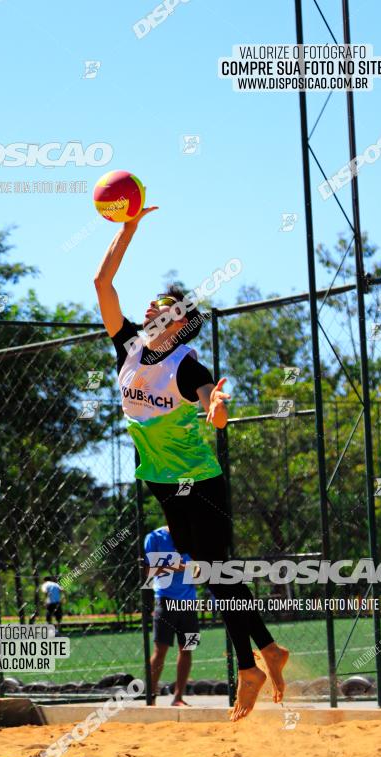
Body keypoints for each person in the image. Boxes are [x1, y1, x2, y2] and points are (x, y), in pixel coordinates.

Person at [94, 206, 289, 720]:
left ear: (180, 325)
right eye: (154, 307)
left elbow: (214, 411)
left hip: (199, 480)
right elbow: (101, 281)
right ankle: (264, 654)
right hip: (159, 479)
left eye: (169, 310)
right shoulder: (129, 346)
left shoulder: (187, 365)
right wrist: (128, 228)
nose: (157, 313)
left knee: (216, 571)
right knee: (213, 572)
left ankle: (254, 663)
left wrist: (218, 407)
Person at [144, 524, 199, 706]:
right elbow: (150, 570)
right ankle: (150, 698)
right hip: (165, 602)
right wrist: (181, 567)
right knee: (160, 652)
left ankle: (178, 697)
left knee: (187, 649)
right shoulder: (154, 537)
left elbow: (199, 569)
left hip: (189, 604)